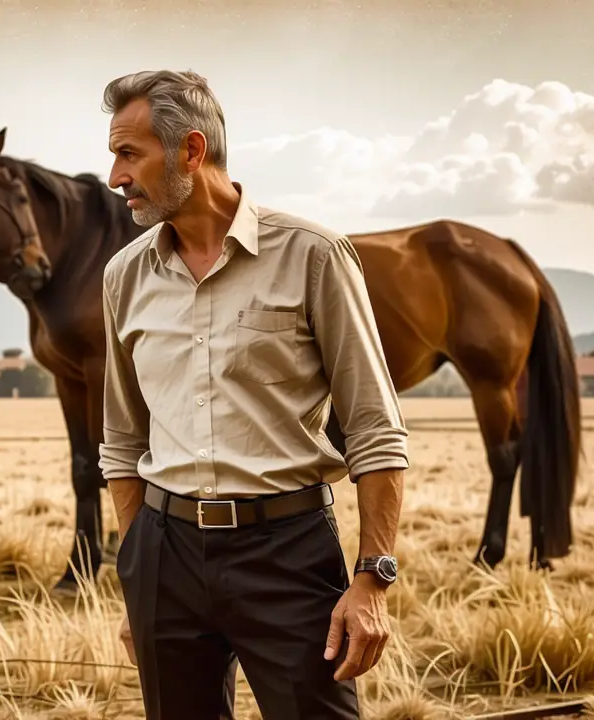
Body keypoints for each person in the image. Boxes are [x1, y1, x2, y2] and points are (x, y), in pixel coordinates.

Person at [97, 69, 409, 720]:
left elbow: (375, 430)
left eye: (130, 153)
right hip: (164, 554)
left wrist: (372, 580)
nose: (115, 177)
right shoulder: (124, 277)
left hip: (288, 553)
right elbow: (123, 442)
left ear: (191, 150)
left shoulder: (314, 256)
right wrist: (136, 579)